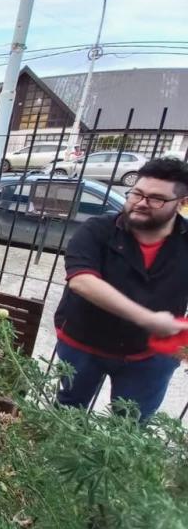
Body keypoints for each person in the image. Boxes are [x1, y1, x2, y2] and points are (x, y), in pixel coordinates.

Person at [54, 157, 188, 420]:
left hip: (149, 354)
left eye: (155, 199)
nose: (140, 202)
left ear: (181, 203)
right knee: (67, 415)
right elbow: (81, 280)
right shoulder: (98, 230)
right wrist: (147, 318)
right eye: (136, 193)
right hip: (83, 342)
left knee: (130, 428)